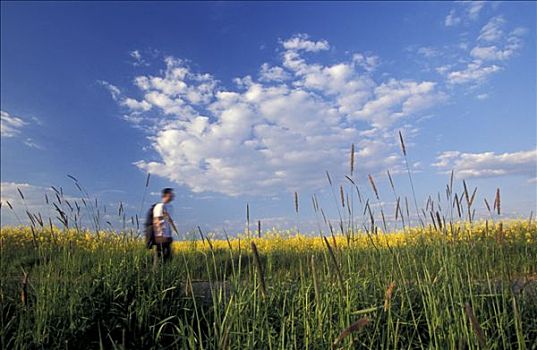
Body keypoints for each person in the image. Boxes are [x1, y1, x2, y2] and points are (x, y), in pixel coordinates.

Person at [153, 188, 178, 262]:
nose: (173, 195)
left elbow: (169, 221)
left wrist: (171, 233)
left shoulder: (169, 207)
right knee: (158, 259)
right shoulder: (160, 206)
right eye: (171, 194)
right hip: (161, 237)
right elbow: (157, 221)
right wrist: (160, 236)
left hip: (167, 237)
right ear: (166, 195)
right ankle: (155, 273)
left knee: (167, 259)